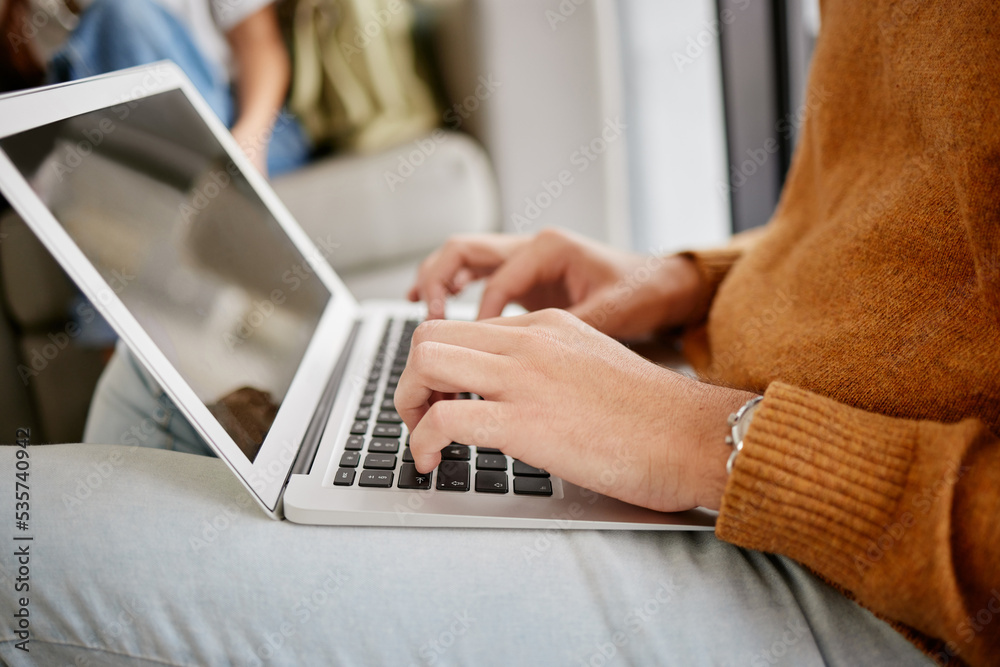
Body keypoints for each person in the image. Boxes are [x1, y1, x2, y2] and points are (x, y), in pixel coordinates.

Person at [1, 1, 997, 665]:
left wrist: (711, 445)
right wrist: (688, 280)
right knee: (153, 376)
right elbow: (893, 208)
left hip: (882, 582)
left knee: (16, 528)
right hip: (748, 395)